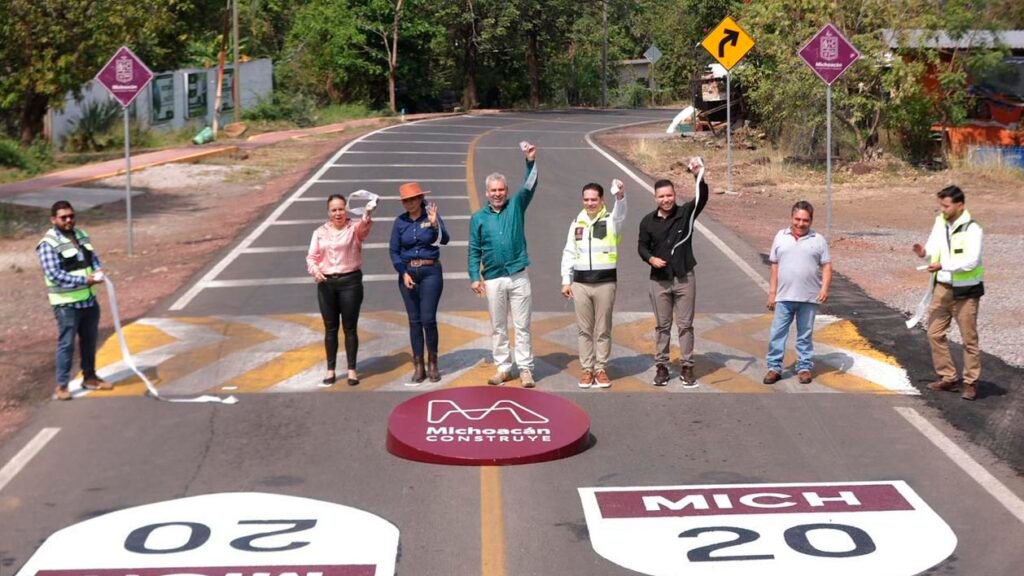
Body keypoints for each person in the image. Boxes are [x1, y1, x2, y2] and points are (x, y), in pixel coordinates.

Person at [468, 142, 539, 387]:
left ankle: (526, 368)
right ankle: (503, 368)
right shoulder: (478, 218)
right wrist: (474, 277)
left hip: (518, 274)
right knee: (498, 327)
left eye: (501, 190)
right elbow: (474, 249)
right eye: (493, 190)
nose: (497, 194)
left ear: (507, 191)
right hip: (493, 279)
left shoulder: (516, 206)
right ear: (487, 192)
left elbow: (530, 185)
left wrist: (529, 162)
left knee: (522, 326)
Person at [637, 157, 709, 387]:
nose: (666, 200)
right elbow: (641, 246)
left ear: (674, 195)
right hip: (659, 281)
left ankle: (687, 366)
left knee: (685, 325)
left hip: (684, 277)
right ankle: (662, 366)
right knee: (662, 325)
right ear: (655, 198)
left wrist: (698, 175)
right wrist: (650, 258)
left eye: (669, 195)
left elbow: (702, 197)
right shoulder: (647, 221)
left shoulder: (685, 214)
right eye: (661, 196)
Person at [912, 185, 984, 401]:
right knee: (934, 332)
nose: (942, 209)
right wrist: (924, 254)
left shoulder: (973, 229)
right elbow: (933, 251)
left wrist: (943, 266)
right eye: (940, 205)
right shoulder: (940, 223)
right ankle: (948, 377)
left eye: (946, 205)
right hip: (942, 288)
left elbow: (971, 261)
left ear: (960, 205)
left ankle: (971, 382)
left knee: (968, 339)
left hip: (966, 292)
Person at [36, 200, 112, 401]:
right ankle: (62, 385)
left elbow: (92, 258)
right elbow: (54, 274)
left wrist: (98, 270)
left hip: (88, 301)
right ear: (54, 219)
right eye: (63, 217)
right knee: (66, 344)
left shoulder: (81, 235)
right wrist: (84, 280)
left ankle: (90, 377)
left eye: (71, 216)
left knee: (89, 341)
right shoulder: (48, 244)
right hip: (66, 304)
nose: (68, 220)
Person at [560, 179, 627, 389]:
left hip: (605, 283)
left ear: (601, 200)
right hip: (580, 284)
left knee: (603, 329)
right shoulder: (576, 223)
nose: (590, 203)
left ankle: (601, 369)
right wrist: (565, 280)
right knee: (584, 330)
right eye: (586, 199)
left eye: (594, 199)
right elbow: (569, 252)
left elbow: (622, 212)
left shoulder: (611, 220)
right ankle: (587, 369)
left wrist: (621, 195)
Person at [306, 193, 375, 386]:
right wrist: (316, 271)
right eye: (334, 210)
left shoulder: (354, 228)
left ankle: (352, 370)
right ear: (328, 212)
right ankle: (331, 369)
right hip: (326, 284)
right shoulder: (319, 232)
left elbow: (364, 230)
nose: (338, 213)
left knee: (350, 328)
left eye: (341, 209)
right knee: (330, 328)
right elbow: (311, 257)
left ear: (346, 210)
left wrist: (367, 213)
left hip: (350, 282)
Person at [762, 200, 832, 385]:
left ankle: (804, 367)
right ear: (791, 218)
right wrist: (772, 293)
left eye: (805, 220)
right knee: (777, 333)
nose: (801, 224)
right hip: (784, 297)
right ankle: (774, 367)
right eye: (797, 219)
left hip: (809, 297)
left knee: (805, 334)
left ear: (811, 221)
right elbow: (775, 265)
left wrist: (824, 288)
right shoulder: (780, 236)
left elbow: (826, 266)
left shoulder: (818, 240)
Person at [389, 182, 450, 384]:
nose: (410, 203)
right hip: (408, 273)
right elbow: (394, 251)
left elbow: (445, 239)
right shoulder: (399, 222)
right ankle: (418, 366)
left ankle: (433, 363)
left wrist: (435, 225)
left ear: (420, 199)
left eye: (413, 199)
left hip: (430, 271)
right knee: (414, 321)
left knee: (428, 319)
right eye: (406, 200)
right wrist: (403, 272)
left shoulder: (430, 215)